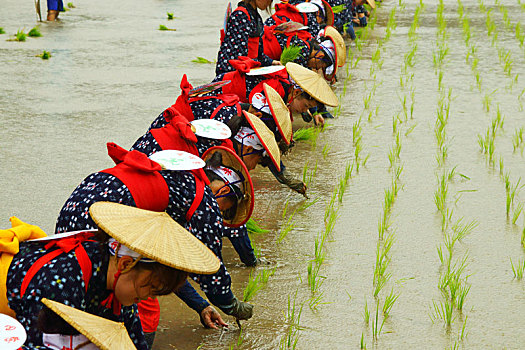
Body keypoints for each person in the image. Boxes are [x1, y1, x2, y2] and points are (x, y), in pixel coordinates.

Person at [54, 144, 254, 347]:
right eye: (228, 210)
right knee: (142, 303)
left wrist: (200, 305)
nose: (223, 215)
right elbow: (212, 275)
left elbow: (163, 267)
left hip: (72, 218)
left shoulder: (170, 176)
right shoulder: (205, 202)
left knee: (91, 302)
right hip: (98, 227)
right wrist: (233, 306)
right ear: (224, 190)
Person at [1, 201, 221, 349]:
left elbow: (133, 342)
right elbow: (29, 342)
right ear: (126, 263)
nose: (147, 298)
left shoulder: (120, 282)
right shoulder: (62, 282)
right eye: (149, 288)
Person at [216, 0, 280, 75]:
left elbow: (259, 54)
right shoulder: (240, 15)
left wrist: (272, 62)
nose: (269, 3)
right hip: (233, 72)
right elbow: (237, 56)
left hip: (249, 68)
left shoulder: (256, 17)